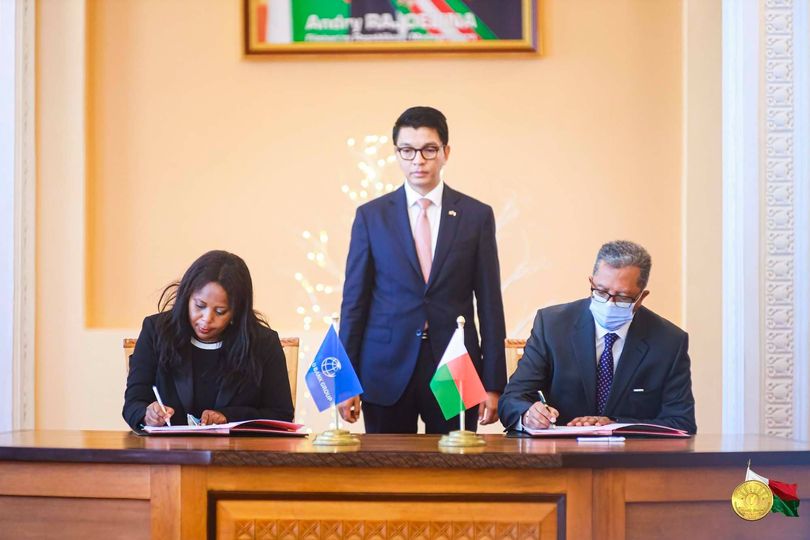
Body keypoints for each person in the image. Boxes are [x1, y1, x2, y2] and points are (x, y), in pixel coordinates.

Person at [338, 106, 507, 434]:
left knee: (454, 461)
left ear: (445, 153)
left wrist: (493, 383)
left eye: (429, 149)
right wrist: (345, 380)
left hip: (454, 365)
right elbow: (354, 303)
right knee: (387, 462)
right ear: (397, 154)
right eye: (407, 150)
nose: (418, 160)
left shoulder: (476, 216)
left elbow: (490, 304)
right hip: (385, 365)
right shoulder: (372, 217)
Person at [498, 240, 697, 434]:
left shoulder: (669, 342)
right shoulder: (552, 325)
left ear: (640, 298)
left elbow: (681, 422)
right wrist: (528, 414)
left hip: (631, 453)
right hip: (560, 450)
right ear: (591, 282)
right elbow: (512, 399)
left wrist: (615, 424)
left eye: (622, 297)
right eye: (601, 292)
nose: (609, 303)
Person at [122, 250, 294, 431]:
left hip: (237, 448)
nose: (206, 319)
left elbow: (281, 414)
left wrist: (228, 417)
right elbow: (133, 404)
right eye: (199, 305)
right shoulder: (157, 331)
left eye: (220, 312)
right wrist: (148, 415)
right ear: (186, 297)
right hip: (168, 447)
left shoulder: (263, 343)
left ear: (237, 311)